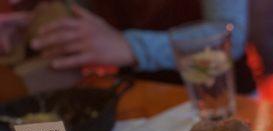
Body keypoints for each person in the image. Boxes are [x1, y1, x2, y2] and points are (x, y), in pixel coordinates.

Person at [7, 0, 255, 93]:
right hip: (139, 97)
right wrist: (34, 26)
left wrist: (130, 46)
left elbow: (230, 34)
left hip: (220, 93)